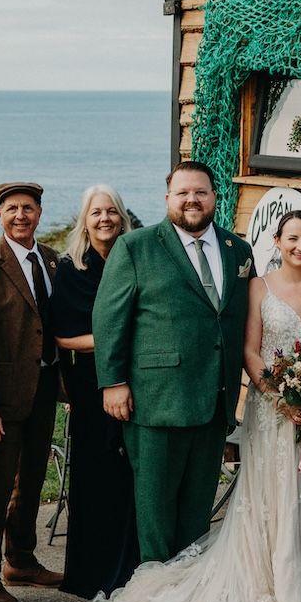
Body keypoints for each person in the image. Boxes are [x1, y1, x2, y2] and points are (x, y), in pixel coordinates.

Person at [36, 208, 301, 602]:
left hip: (286, 408)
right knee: (185, 497)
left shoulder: (244, 256)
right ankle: (166, 587)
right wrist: (281, 393)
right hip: (229, 403)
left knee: (297, 498)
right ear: (278, 242)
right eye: (292, 237)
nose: (300, 246)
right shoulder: (142, 247)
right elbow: (118, 317)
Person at [90, 161, 254, 562]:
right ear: (168, 199)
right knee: (156, 510)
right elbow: (109, 317)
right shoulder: (137, 247)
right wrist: (113, 382)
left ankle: (188, 593)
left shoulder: (238, 250)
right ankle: (156, 595)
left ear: (215, 197)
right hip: (157, 401)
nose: (192, 200)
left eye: (200, 192)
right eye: (182, 193)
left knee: (197, 511)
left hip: (215, 398)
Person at [0, 182, 64, 602]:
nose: (21, 215)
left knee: (33, 478)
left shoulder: (54, 261)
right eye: (12, 209)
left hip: (44, 389)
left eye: (28, 208)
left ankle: (20, 560)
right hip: (1, 398)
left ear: (40, 213)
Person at [52, 184, 140, 600]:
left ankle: (130, 569)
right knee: (94, 476)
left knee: (129, 476)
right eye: (96, 212)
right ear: (84, 221)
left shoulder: (136, 259)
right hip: (89, 386)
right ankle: (90, 574)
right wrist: (117, 340)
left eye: (112, 211)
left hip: (137, 382)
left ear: (122, 217)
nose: (105, 218)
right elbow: (64, 336)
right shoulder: (71, 268)